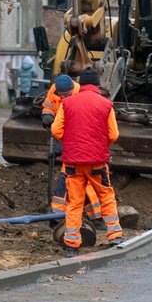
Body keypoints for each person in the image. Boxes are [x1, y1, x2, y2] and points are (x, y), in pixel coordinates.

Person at [50, 66, 124, 256]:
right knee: (106, 197)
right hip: (97, 163)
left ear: (80, 84)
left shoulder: (68, 103)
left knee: (74, 202)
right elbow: (114, 135)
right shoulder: (106, 104)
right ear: (97, 85)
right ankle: (115, 236)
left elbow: (56, 131)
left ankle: (72, 245)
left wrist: (72, 138)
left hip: (73, 163)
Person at [42, 74, 103, 227]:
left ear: (71, 90)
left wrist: (63, 146)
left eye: (66, 95)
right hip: (68, 141)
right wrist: (47, 115)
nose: (62, 98)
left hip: (79, 144)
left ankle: (94, 218)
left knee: (74, 181)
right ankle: (59, 215)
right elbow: (48, 104)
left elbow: (77, 126)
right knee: (71, 181)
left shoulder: (79, 97)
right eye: (60, 95)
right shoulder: (54, 90)